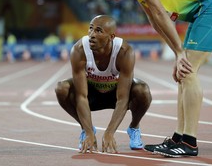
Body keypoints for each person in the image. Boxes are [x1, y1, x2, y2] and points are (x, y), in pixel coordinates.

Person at [89, 0, 212, 157]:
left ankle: (189, 143)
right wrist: (177, 53)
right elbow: (154, 21)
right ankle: (179, 137)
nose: (116, 0)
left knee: (188, 73)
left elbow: (158, 11)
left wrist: (180, 53)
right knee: (183, 74)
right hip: (202, 10)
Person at [55, 15, 152, 153]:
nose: (92, 35)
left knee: (143, 91)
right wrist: (89, 131)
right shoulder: (79, 50)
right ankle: (85, 128)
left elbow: (123, 98)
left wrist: (110, 132)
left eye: (98, 31)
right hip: (91, 94)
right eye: (90, 28)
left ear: (111, 36)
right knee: (61, 88)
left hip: (115, 93)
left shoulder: (124, 52)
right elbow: (82, 96)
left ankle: (134, 127)